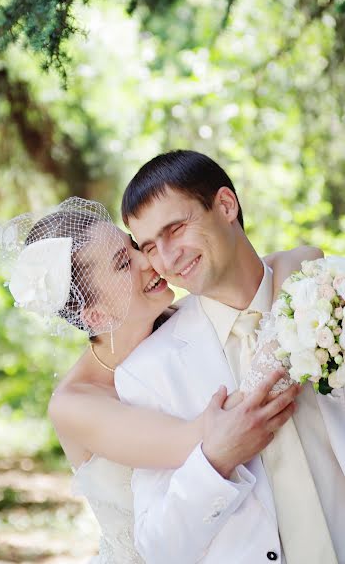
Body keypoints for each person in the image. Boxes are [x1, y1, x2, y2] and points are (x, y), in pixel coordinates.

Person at [0, 197, 319, 564]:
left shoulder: (188, 318)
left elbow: (296, 258)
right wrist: (281, 344)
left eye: (132, 245)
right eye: (123, 263)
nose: (150, 259)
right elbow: (209, 438)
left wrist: (287, 315)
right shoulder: (75, 403)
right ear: (96, 315)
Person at [116, 149, 345, 564]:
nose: (166, 259)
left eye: (176, 228)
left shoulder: (333, 293)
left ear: (225, 205)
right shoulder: (146, 372)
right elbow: (158, 549)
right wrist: (216, 462)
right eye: (149, 246)